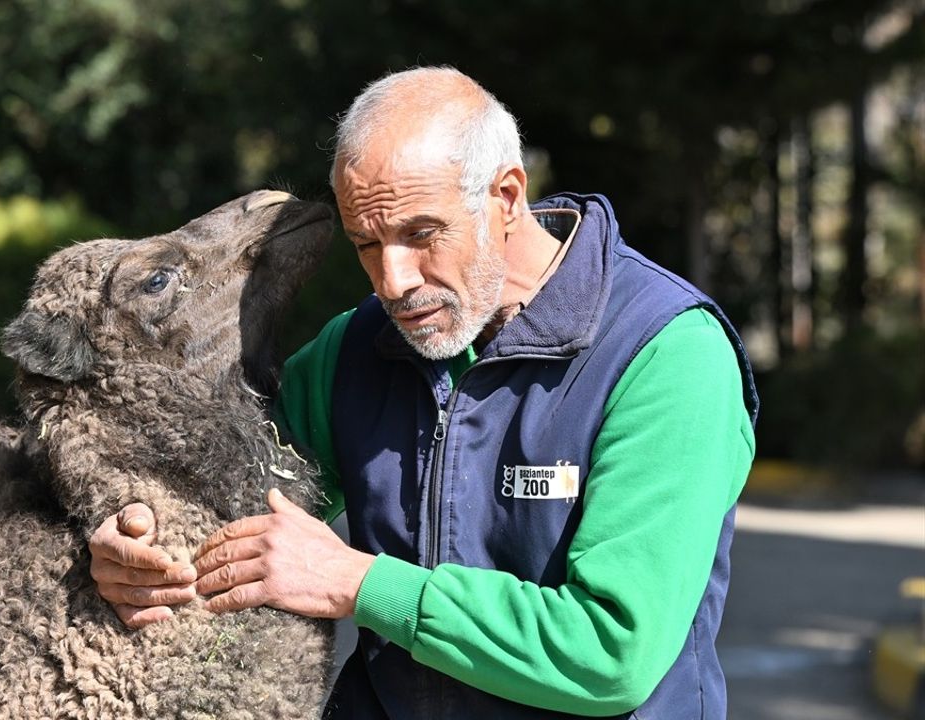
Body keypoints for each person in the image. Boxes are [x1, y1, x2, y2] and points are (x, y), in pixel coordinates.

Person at [87, 67, 758, 719]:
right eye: (367, 244)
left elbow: (612, 654)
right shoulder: (355, 347)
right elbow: (219, 501)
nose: (393, 280)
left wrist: (360, 584)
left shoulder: (666, 354)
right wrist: (133, 541)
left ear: (506, 197)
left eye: (420, 235)